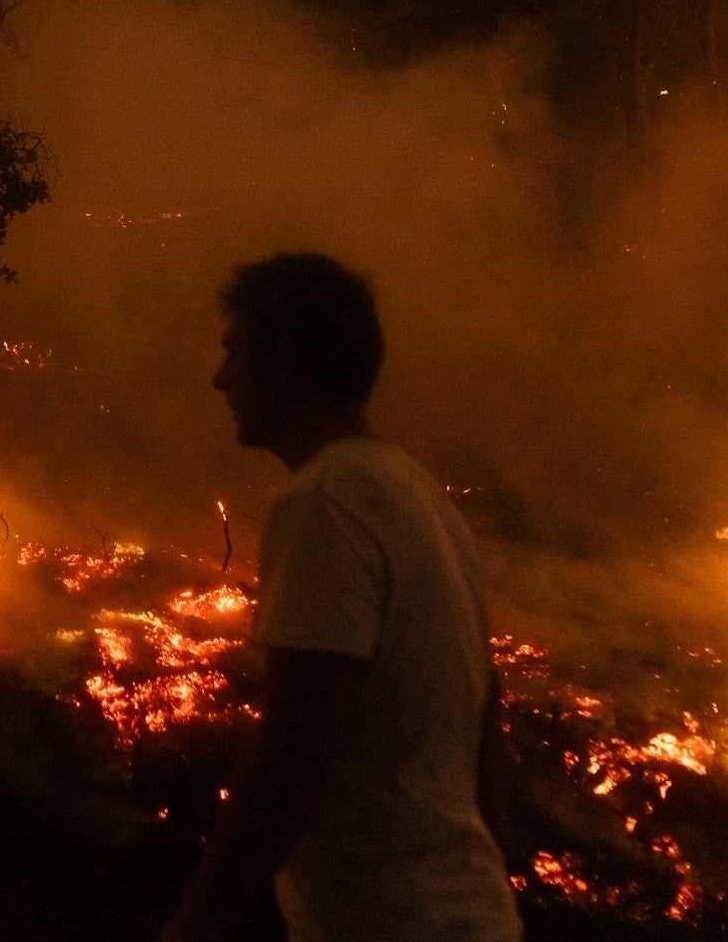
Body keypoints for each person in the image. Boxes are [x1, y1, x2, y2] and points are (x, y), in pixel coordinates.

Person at [161, 253, 520, 942]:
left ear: (287, 359)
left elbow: (292, 753)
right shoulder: (421, 497)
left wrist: (194, 927)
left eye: (234, 350)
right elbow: (489, 748)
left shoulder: (327, 501)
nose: (220, 378)